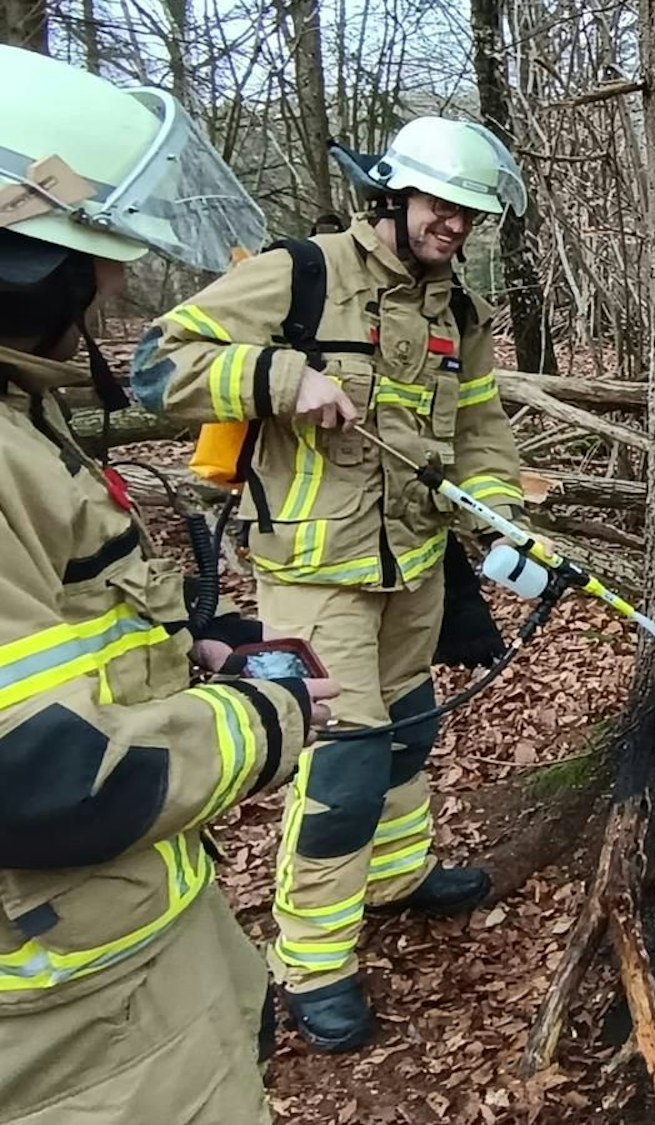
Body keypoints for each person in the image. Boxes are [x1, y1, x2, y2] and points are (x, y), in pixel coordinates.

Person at [132, 116, 532, 1053]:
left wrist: (497, 503)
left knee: (408, 729)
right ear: (393, 196)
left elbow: (479, 430)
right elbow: (158, 363)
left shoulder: (459, 314)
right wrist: (279, 376)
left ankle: (395, 876)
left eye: (471, 215)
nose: (457, 228)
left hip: (418, 563)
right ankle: (312, 960)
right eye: (443, 207)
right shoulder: (301, 273)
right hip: (315, 573)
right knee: (345, 763)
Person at [0, 46, 335, 1122]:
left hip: (117, 970)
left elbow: (49, 637)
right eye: (93, 258)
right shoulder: (308, 271)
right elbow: (32, 773)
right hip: (71, 1027)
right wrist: (257, 716)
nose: (111, 283)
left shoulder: (22, 417)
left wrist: (183, 652)